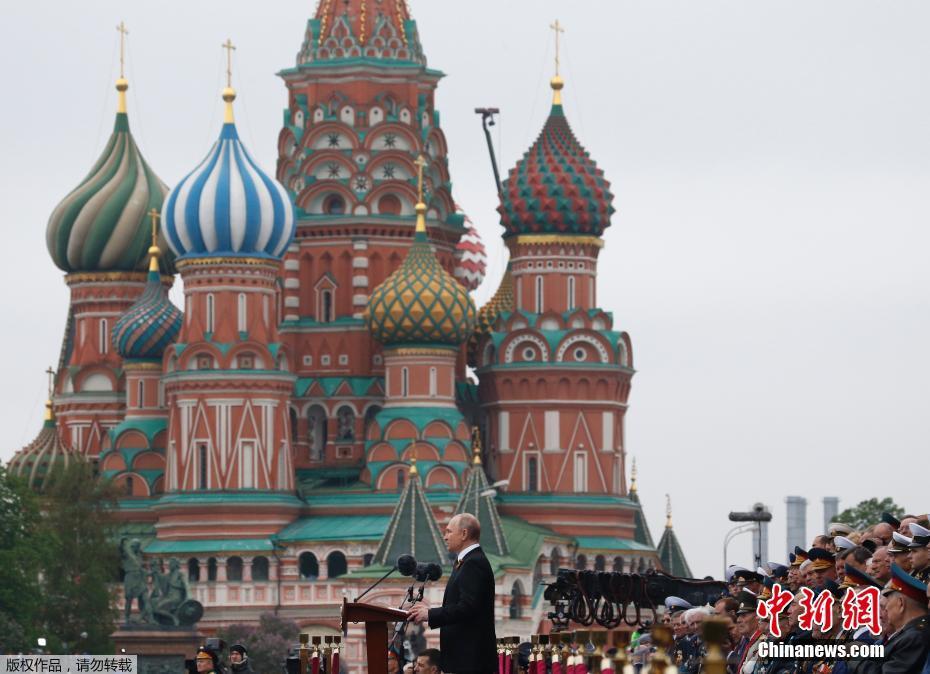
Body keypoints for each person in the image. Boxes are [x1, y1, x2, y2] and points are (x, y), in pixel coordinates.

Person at [409, 512, 497, 674]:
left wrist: (430, 614)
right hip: (464, 659)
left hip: (471, 661)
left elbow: (467, 607)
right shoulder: (465, 562)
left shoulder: (473, 563)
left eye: (449, 531)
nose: (445, 537)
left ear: (464, 534)